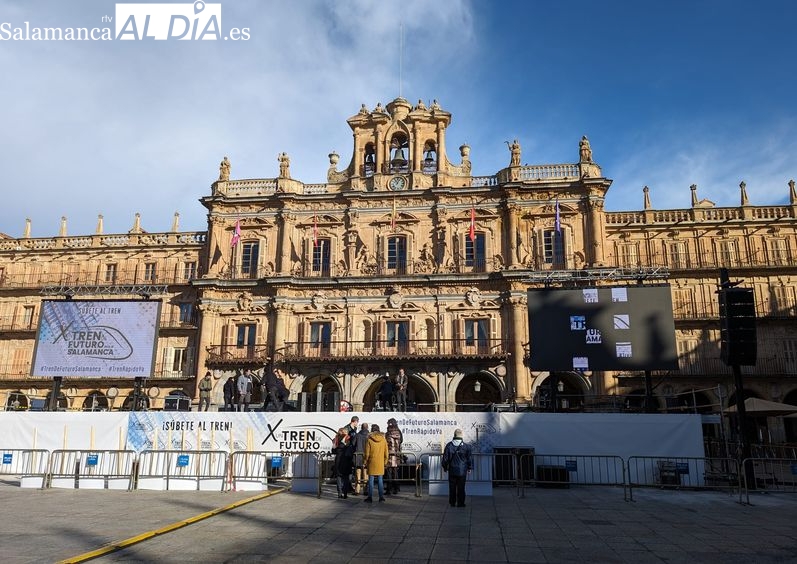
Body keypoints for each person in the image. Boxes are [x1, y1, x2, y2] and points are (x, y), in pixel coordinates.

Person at [441, 428, 473, 508]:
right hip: (462, 471)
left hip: (452, 470)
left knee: (452, 487)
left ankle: (452, 502)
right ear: (461, 435)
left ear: (454, 435)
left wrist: (445, 467)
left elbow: (445, 459)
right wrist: (469, 467)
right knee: (461, 487)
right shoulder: (466, 447)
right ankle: (461, 503)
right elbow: (469, 459)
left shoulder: (449, 445)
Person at [363, 423, 388, 503]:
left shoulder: (369, 440)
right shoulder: (383, 440)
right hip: (380, 463)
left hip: (371, 462)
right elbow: (386, 453)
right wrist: (385, 462)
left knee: (371, 480)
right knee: (380, 480)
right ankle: (381, 497)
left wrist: (365, 462)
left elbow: (367, 453)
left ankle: (370, 497)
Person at [333, 427, 354, 499]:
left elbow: (333, 450)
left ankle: (339, 493)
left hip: (338, 459)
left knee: (339, 477)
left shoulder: (336, 438)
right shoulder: (348, 438)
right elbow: (351, 448)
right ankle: (345, 494)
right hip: (346, 459)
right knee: (346, 478)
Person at [385, 417, 403, 495]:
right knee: (395, 472)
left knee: (389, 472)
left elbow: (386, 442)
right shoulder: (399, 432)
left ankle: (389, 489)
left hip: (390, 455)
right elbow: (401, 441)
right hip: (397, 455)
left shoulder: (388, 432)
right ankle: (396, 488)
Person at [351, 422, 370, 495]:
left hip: (358, 457)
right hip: (366, 457)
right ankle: (366, 490)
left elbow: (353, 444)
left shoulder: (357, 435)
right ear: (367, 428)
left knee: (358, 474)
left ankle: (357, 490)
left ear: (361, 428)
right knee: (366, 474)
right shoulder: (369, 436)